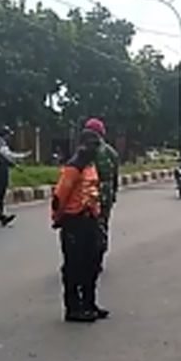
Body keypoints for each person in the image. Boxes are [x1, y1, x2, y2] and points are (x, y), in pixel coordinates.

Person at [51, 129, 108, 323]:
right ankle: (73, 308)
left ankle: (89, 303)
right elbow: (60, 196)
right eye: (92, 145)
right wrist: (57, 218)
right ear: (82, 145)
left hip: (90, 219)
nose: (95, 149)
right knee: (74, 267)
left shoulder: (90, 166)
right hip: (73, 220)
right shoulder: (73, 168)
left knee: (92, 264)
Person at [84, 118, 119, 272]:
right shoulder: (112, 153)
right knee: (102, 224)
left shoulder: (85, 150)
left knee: (84, 226)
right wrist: (113, 194)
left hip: (88, 193)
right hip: (106, 193)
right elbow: (115, 177)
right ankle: (98, 258)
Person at [0, 125, 30, 218]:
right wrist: (22, 156)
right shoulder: (0, 144)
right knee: (0, 191)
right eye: (8, 135)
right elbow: (8, 156)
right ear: (5, 135)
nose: (9, 137)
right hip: (1, 169)